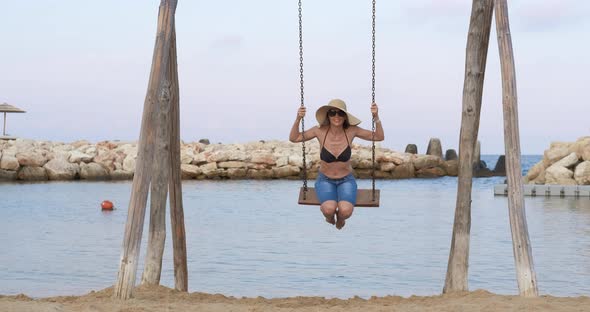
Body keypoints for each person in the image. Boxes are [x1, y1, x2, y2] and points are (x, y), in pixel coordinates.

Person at [289, 99, 384, 229]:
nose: (336, 116)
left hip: (346, 180)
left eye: (340, 113)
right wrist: (298, 118)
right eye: (332, 113)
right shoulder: (319, 131)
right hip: (325, 180)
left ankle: (340, 218)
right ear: (328, 115)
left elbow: (379, 136)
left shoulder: (352, 130)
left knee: (345, 211)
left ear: (345, 116)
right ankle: (329, 218)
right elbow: (294, 138)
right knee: (328, 209)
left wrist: (376, 117)